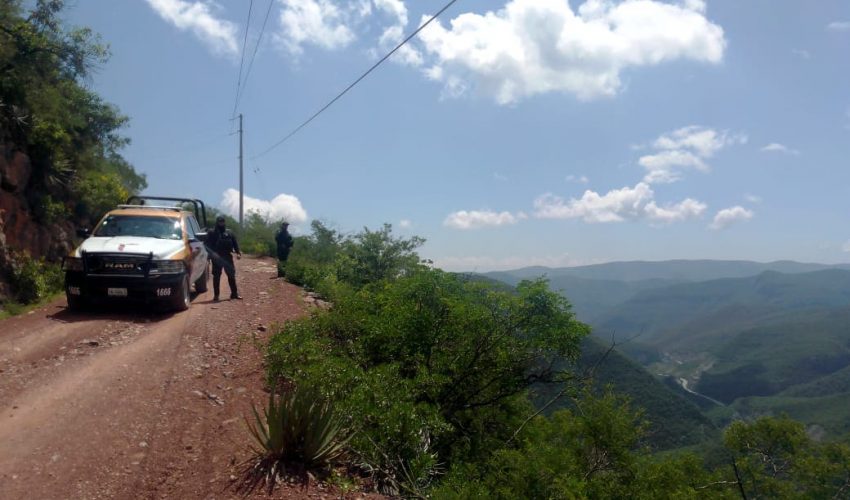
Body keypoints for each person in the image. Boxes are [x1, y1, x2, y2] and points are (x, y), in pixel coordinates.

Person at [206, 215, 242, 301]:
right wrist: (210, 254)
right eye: (219, 221)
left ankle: (234, 294)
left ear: (224, 222)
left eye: (222, 221)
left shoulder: (229, 232)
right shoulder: (212, 232)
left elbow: (235, 243)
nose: (221, 223)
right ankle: (216, 295)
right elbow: (207, 245)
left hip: (227, 257)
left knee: (231, 276)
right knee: (217, 276)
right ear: (217, 222)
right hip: (217, 257)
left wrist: (238, 253)